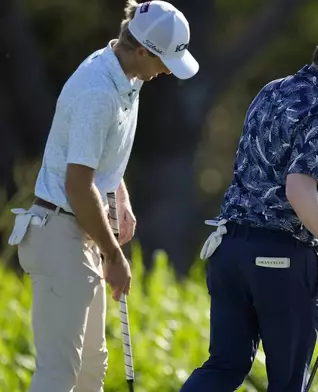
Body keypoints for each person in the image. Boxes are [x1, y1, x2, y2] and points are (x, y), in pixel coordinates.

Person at [180, 21, 318, 392]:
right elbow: (299, 190)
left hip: (228, 250)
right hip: (280, 259)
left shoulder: (271, 90)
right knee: (287, 383)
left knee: (224, 366)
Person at [7, 1, 199, 391]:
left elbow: (100, 161)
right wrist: (114, 256)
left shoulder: (129, 76)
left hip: (80, 232)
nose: (166, 72)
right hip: (59, 233)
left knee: (91, 368)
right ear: (142, 49)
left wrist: (119, 195)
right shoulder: (98, 91)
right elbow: (78, 185)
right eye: (163, 61)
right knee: (59, 372)